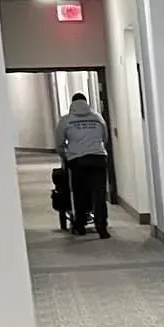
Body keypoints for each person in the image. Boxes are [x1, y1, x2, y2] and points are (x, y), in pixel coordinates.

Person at [55, 92, 111, 238]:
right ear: (87, 103)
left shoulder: (66, 120)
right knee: (99, 195)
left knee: (78, 194)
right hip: (98, 159)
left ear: (72, 104)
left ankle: (80, 225)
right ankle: (102, 228)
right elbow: (105, 139)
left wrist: (66, 157)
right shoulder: (98, 118)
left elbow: (60, 144)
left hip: (77, 161)